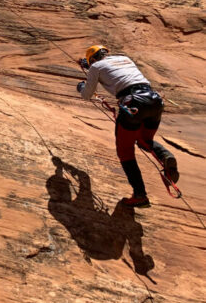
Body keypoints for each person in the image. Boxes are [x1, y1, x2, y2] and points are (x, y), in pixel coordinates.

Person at [77, 45, 179, 207]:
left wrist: (82, 86)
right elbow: (115, 70)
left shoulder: (95, 66)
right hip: (154, 100)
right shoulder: (125, 58)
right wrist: (89, 65)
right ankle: (165, 155)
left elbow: (87, 95)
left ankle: (140, 195)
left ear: (93, 59)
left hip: (133, 103)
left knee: (125, 151)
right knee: (144, 140)